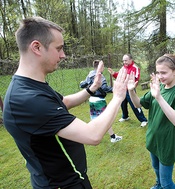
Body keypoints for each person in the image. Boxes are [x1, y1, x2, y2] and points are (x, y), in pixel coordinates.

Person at [3, 17, 128, 189]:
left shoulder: (30, 86)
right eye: (59, 48)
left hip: (67, 179)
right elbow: (93, 135)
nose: (63, 55)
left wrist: (92, 88)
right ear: (37, 47)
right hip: (61, 185)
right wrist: (118, 97)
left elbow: (64, 102)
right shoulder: (27, 100)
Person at [127, 54, 175, 188]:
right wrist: (132, 91)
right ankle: (157, 185)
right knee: (157, 170)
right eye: (158, 72)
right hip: (153, 139)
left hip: (168, 143)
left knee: (167, 183)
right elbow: (138, 104)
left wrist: (159, 98)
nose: (160, 76)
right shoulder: (158, 87)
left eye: (164, 73)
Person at [80, 60, 122, 143]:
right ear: (100, 67)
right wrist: (115, 89)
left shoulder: (90, 74)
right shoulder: (100, 76)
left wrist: (83, 83)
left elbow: (83, 84)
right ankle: (113, 137)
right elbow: (104, 88)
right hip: (99, 100)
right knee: (107, 118)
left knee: (94, 117)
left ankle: (92, 134)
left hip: (91, 99)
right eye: (102, 66)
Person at [108, 54, 148, 127]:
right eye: (123, 60)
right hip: (123, 89)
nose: (124, 62)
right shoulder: (123, 68)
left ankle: (143, 120)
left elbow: (136, 78)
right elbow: (119, 76)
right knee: (123, 104)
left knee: (135, 105)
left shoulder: (135, 68)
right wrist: (114, 74)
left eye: (125, 60)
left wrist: (130, 85)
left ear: (130, 60)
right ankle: (125, 116)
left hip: (130, 90)